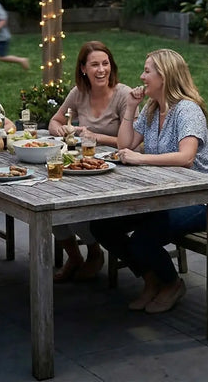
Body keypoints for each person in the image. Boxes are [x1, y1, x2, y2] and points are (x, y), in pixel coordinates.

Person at [91, 48, 208, 314]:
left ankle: (172, 284)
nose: (142, 76)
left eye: (147, 71)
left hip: (198, 199)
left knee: (142, 240)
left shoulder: (187, 110)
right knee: (103, 226)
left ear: (165, 75)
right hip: (161, 196)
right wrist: (131, 108)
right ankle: (151, 280)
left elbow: (187, 157)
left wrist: (140, 159)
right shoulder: (151, 108)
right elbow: (125, 145)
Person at [48, 41, 131, 282]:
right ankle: (75, 256)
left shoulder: (123, 95)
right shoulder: (78, 93)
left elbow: (134, 142)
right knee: (51, 201)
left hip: (116, 169)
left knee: (72, 206)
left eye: (105, 64)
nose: (101, 70)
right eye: (94, 65)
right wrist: (62, 130)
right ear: (83, 68)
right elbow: (54, 121)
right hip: (81, 166)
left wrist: (98, 137)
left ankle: (94, 253)